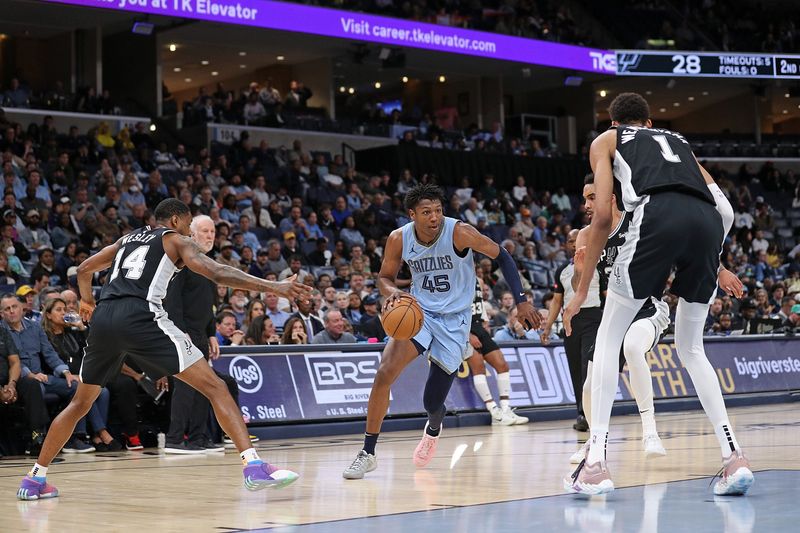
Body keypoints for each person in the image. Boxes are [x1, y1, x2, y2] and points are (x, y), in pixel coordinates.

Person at [17, 198, 311, 500]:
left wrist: (86, 302)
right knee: (216, 387)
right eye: (187, 227)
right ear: (174, 222)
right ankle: (254, 466)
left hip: (104, 319)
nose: (189, 235)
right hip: (142, 316)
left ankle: (34, 479)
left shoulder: (126, 239)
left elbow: (83, 268)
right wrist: (275, 287)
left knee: (79, 404)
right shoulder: (174, 240)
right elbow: (218, 273)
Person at [562, 93, 752, 496]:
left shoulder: (607, 140)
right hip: (706, 224)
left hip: (656, 217)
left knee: (607, 342)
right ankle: (734, 459)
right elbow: (728, 212)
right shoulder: (679, 143)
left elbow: (599, 217)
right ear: (650, 123)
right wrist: (714, 259)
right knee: (692, 349)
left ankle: (594, 464)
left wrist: (580, 292)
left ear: (615, 124)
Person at [342, 184, 540, 479]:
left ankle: (434, 427)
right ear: (412, 215)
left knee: (431, 402)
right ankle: (368, 452)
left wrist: (522, 302)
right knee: (384, 373)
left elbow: (504, 256)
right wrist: (393, 291)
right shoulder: (399, 238)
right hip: (419, 313)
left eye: (437, 211)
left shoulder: (460, 232)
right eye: (426, 212)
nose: (434, 217)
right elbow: (384, 277)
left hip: (455, 320)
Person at [567, 174, 673, 464]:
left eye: (592, 197)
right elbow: (580, 287)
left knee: (633, 347)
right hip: (612, 314)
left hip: (647, 308)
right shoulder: (587, 235)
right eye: (585, 198)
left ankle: (650, 430)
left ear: (610, 197)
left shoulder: (636, 221)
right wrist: (578, 269)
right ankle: (593, 441)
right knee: (590, 386)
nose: (586, 204)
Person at [162, 214, 225, 454]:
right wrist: (181, 332)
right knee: (186, 386)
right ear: (192, 234)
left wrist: (211, 334)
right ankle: (175, 439)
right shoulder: (183, 262)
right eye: (205, 231)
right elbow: (173, 302)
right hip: (183, 333)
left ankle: (199, 437)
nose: (210, 236)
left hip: (201, 334)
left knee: (206, 387)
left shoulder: (208, 264)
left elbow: (209, 306)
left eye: (213, 232)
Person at [542, 229, 591, 431]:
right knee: (576, 369)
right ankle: (582, 413)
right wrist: (547, 327)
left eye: (577, 240)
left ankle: (593, 412)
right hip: (571, 322)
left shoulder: (599, 263)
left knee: (589, 368)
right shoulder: (562, 270)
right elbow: (556, 301)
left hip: (595, 317)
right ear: (566, 245)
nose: (573, 244)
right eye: (570, 241)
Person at [466, 278, 527, 426]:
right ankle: (494, 411)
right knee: (478, 367)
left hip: (478, 325)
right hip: (463, 329)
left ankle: (505, 409)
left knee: (502, 365)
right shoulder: (456, 276)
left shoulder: (478, 280)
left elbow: (478, 303)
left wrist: (484, 319)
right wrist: (467, 334)